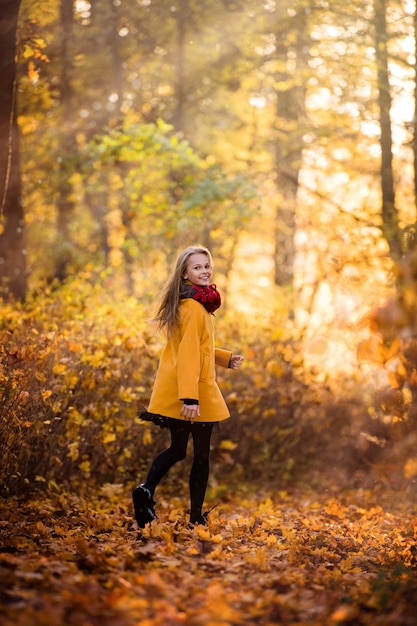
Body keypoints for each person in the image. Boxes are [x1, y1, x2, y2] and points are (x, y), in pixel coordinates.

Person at [133, 245, 243, 527]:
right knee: (201, 455)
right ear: (185, 273)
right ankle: (195, 518)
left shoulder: (191, 303)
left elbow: (196, 346)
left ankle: (145, 491)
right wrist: (190, 399)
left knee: (179, 449)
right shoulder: (194, 306)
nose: (204, 270)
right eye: (197, 267)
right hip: (193, 389)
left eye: (207, 265)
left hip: (179, 385)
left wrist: (225, 359)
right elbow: (190, 353)